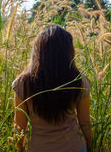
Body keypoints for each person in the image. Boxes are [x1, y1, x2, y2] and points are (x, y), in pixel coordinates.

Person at [12, 24, 92, 152]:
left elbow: (19, 128)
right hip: (75, 147)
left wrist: (18, 149)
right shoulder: (79, 80)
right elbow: (85, 124)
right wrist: (91, 147)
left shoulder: (23, 83)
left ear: (38, 50)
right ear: (68, 51)